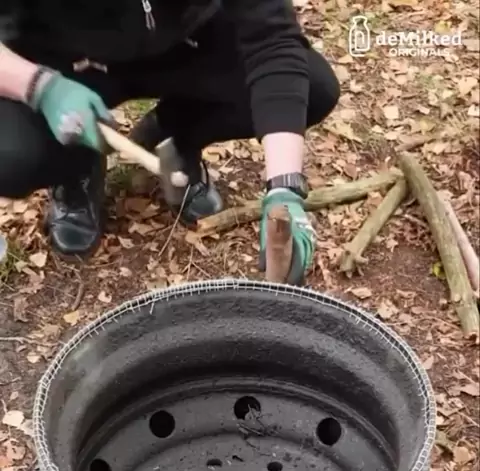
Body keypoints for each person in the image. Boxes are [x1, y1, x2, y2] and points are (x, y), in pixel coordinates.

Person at [0, 1, 340, 282]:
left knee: (311, 89)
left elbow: (273, 42)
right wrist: (40, 87)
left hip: (186, 44)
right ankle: (77, 160)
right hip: (64, 62)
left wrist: (284, 188)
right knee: (11, 156)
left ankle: (174, 135)